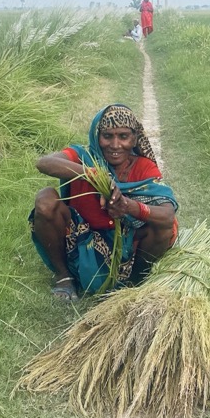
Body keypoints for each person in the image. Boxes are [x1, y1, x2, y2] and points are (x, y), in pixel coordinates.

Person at [30, 104, 178, 302]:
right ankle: (64, 276)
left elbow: (167, 215)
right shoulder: (84, 156)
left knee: (164, 228)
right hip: (82, 234)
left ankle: (133, 281)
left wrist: (128, 206)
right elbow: (44, 163)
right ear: (96, 136)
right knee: (45, 198)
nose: (115, 145)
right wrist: (93, 174)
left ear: (134, 139)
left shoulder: (144, 167)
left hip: (126, 244)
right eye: (107, 136)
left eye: (123, 137)